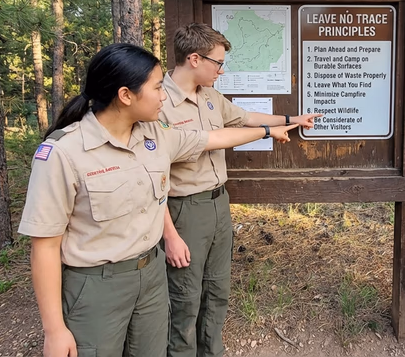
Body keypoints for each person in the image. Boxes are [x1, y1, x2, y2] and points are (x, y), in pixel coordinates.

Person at [18, 43, 299, 357]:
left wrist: (266, 131)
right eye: (155, 88)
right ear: (126, 95)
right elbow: (44, 246)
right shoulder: (63, 153)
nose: (163, 95)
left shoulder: (155, 134)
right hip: (96, 286)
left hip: (150, 277)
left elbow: (214, 138)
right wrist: (54, 330)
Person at [160, 23, 320, 357]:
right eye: (217, 63)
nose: (221, 69)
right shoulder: (159, 103)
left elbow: (244, 117)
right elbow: (152, 177)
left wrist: (293, 118)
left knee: (217, 289)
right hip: (184, 210)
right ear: (194, 59)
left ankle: (211, 352)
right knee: (186, 297)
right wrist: (170, 234)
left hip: (219, 204)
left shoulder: (210, 96)